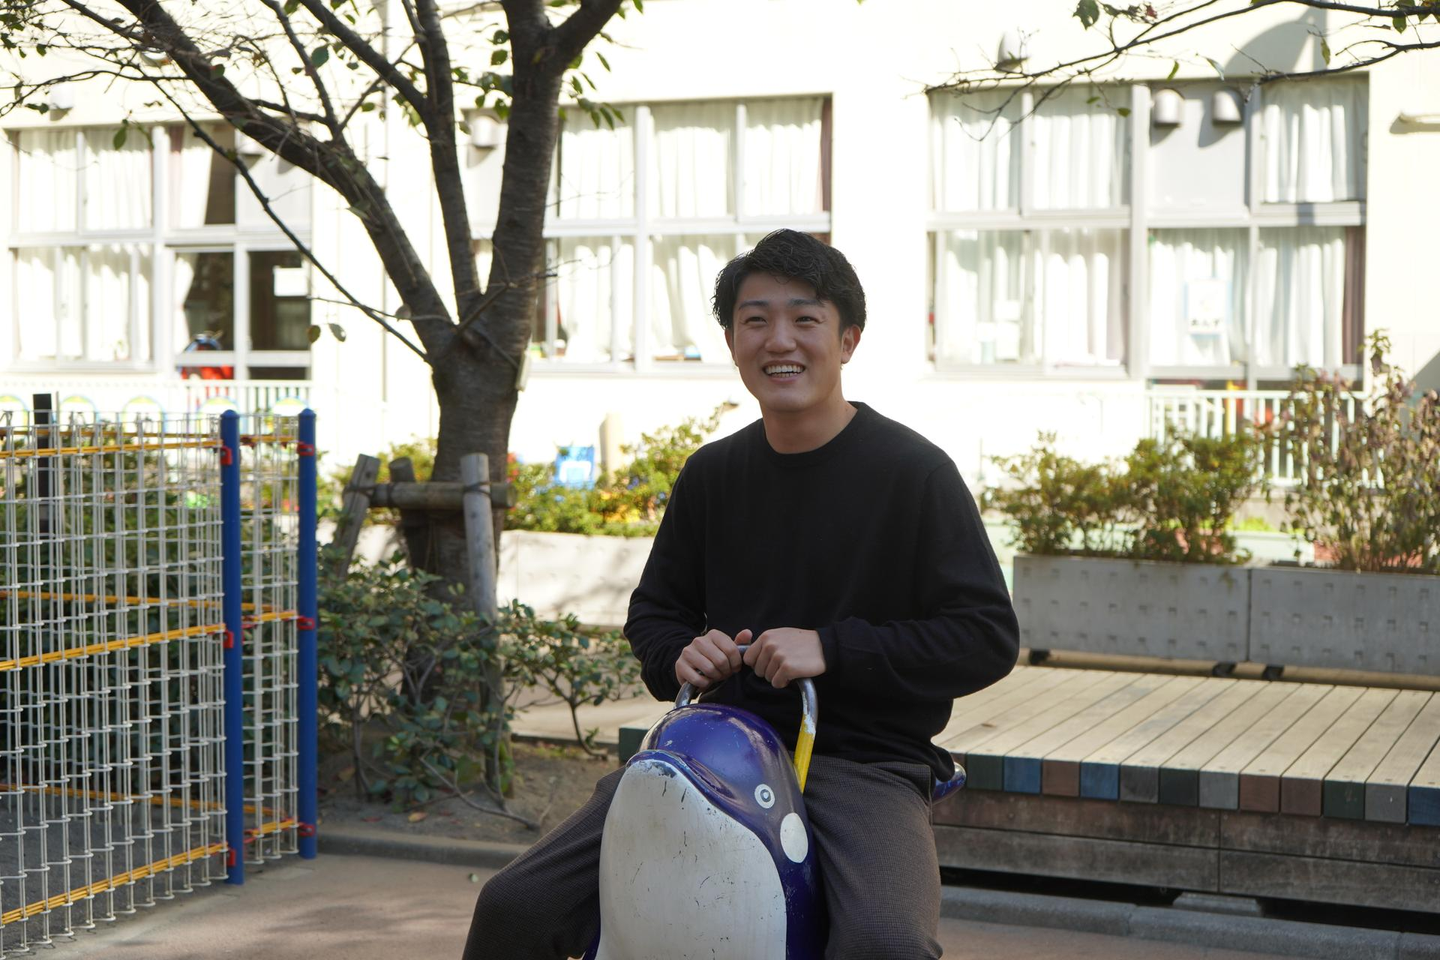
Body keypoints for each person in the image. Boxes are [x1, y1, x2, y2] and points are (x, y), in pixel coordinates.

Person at [462, 229, 1018, 960]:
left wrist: (832, 649)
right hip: (711, 748)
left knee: (885, 943)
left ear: (847, 340)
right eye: (755, 320)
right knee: (514, 906)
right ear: (732, 341)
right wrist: (681, 654)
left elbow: (985, 635)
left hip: (864, 762)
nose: (778, 340)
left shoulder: (915, 474)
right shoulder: (712, 475)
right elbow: (655, 612)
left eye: (805, 318)